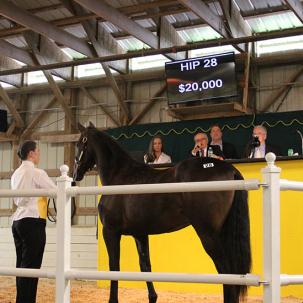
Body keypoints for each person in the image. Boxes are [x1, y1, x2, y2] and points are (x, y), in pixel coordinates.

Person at [11, 141, 56, 303]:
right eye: (37, 151)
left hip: (17, 221)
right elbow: (57, 191)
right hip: (33, 221)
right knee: (32, 266)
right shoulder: (37, 173)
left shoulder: (16, 173)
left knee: (21, 266)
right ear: (31, 153)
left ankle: (21, 299)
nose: (39, 154)